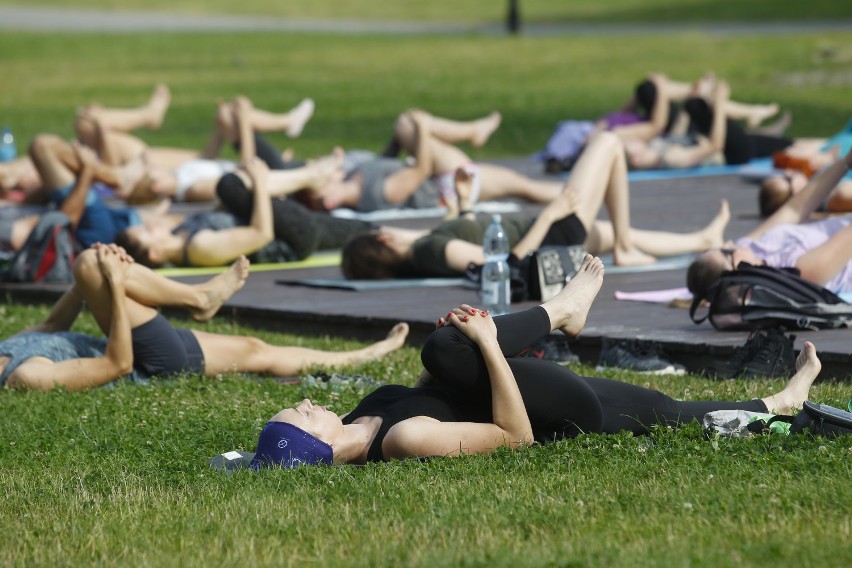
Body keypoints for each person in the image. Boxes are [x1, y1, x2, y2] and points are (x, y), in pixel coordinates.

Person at [250, 254, 822, 469]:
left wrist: (462, 345)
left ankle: (778, 402)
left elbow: (437, 393)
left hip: (529, 384)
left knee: (664, 409)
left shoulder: (358, 418)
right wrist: (489, 345)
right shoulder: (402, 443)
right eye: (298, 416)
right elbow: (514, 436)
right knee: (447, 349)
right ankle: (564, 310)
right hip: (543, 409)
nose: (303, 402)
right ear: (315, 448)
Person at [0, 244, 409, 391]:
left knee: (257, 351)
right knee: (90, 263)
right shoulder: (26, 377)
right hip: (148, 362)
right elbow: (115, 365)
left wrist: (93, 288)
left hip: (152, 346)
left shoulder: (7, 351)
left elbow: (53, 326)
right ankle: (197, 298)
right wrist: (112, 287)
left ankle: (368, 353)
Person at [341, 130, 730, 279]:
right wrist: (548, 215)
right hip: (553, 233)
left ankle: (701, 238)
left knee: (607, 232)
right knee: (608, 144)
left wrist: (462, 206)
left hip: (555, 233)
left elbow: (478, 243)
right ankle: (627, 248)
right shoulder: (430, 248)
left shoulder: (429, 249)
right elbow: (505, 265)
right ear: (384, 241)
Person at [116, 98, 372, 267]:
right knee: (228, 186)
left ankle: (312, 178)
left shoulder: (183, 235)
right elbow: (261, 234)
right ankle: (310, 176)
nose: (153, 226)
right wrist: (260, 186)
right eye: (148, 232)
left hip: (287, 222)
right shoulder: (199, 248)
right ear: (155, 253)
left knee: (364, 230)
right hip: (292, 237)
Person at [313, 109, 566, 217]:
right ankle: (473, 131)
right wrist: (422, 130)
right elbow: (420, 171)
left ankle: (575, 193)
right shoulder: (376, 195)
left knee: (525, 187)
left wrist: (398, 141)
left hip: (442, 173)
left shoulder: (353, 175)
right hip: (448, 185)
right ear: (329, 201)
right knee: (525, 187)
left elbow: (384, 162)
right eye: (319, 184)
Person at [687, 146, 852, 299]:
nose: (730, 242)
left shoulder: (752, 247)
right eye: (726, 251)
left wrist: (845, 162)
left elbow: (795, 209)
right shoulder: (795, 275)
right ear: (736, 270)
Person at [622, 78, 794, 170]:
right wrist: (719, 104)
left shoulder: (657, 148)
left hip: (720, 142)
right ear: (636, 160)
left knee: (694, 105)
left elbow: (677, 135)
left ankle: (759, 120)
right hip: (732, 153)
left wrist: (689, 99)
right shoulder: (672, 159)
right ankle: (755, 114)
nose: (632, 140)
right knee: (789, 146)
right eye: (629, 146)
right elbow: (715, 146)